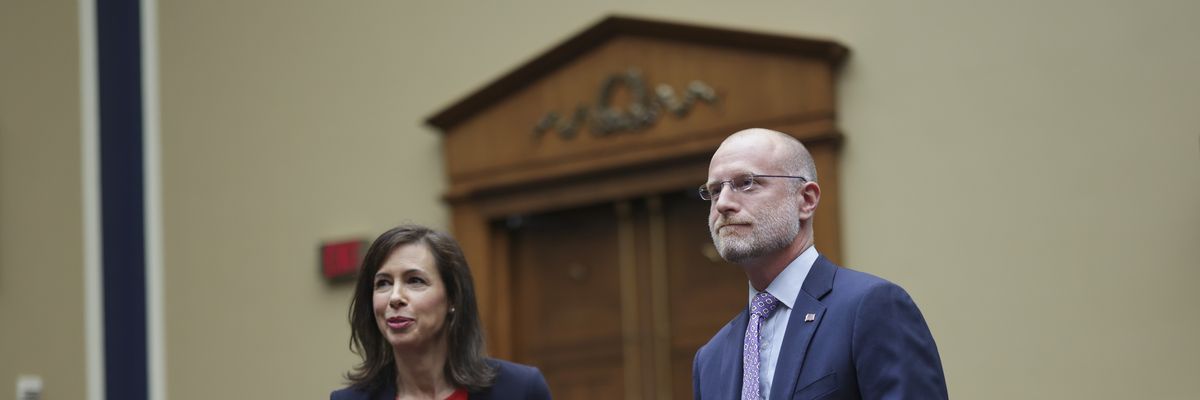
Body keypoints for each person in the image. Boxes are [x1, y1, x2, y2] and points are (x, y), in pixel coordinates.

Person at [691, 128, 948, 399]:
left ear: (806, 200)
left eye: (747, 183)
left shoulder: (872, 307)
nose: (724, 204)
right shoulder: (710, 359)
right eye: (715, 190)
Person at [332, 224, 552, 400]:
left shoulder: (520, 389)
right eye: (383, 283)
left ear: (453, 298)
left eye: (415, 281)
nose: (395, 297)